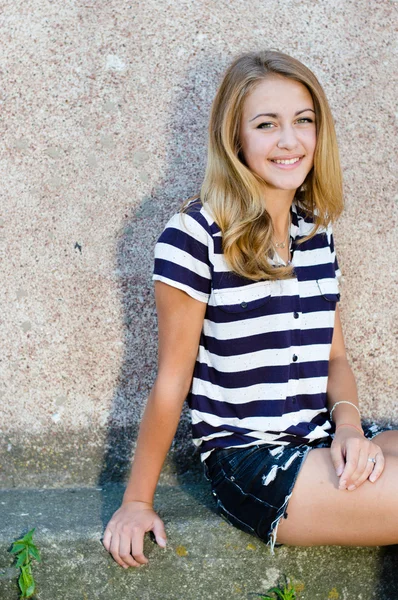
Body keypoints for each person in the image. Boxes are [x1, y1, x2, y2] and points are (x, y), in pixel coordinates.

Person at [102, 50, 398, 568]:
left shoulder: (315, 234)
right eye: (267, 124)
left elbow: (335, 360)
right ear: (234, 137)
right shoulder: (193, 237)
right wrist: (136, 501)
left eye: (303, 121)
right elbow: (172, 380)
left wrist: (349, 427)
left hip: (320, 435)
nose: (290, 140)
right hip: (251, 462)